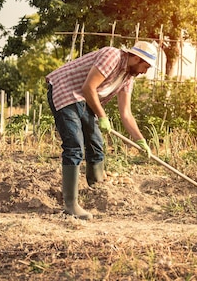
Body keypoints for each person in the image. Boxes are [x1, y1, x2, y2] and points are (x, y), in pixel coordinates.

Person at [46, 40, 157, 220]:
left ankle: (97, 190)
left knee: (96, 144)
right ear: (136, 58)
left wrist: (140, 140)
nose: (145, 71)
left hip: (85, 98)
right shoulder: (112, 55)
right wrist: (102, 116)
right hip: (66, 90)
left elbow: (126, 113)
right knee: (75, 146)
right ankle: (71, 204)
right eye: (146, 66)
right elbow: (88, 87)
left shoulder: (128, 77)